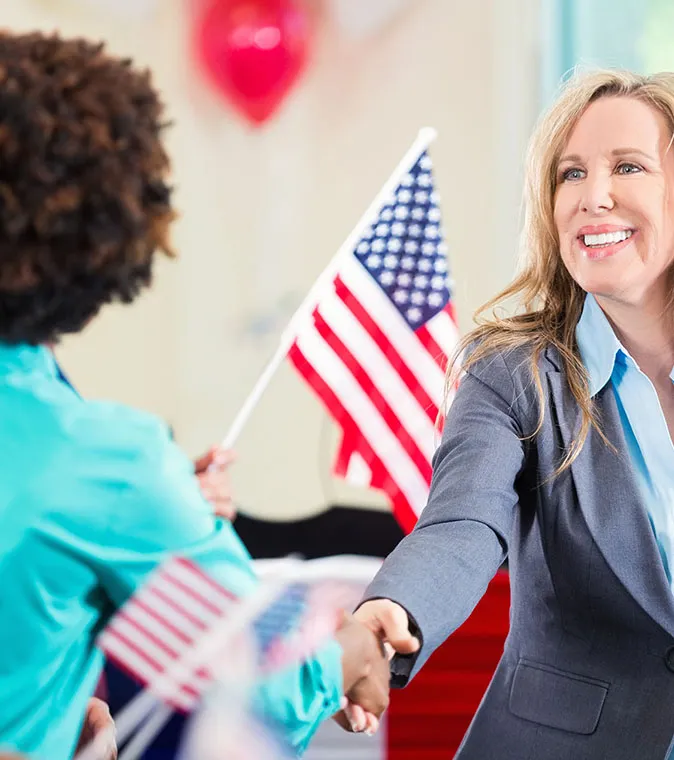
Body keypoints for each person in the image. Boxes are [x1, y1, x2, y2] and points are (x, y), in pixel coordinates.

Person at [0, 31, 388, 760]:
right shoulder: (111, 465)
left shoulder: (120, 476)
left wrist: (161, 500)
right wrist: (352, 651)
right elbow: (258, 685)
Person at [349, 68, 674, 759]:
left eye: (628, 166)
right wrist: (388, 613)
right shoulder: (512, 374)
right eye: (570, 175)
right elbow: (460, 527)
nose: (595, 196)